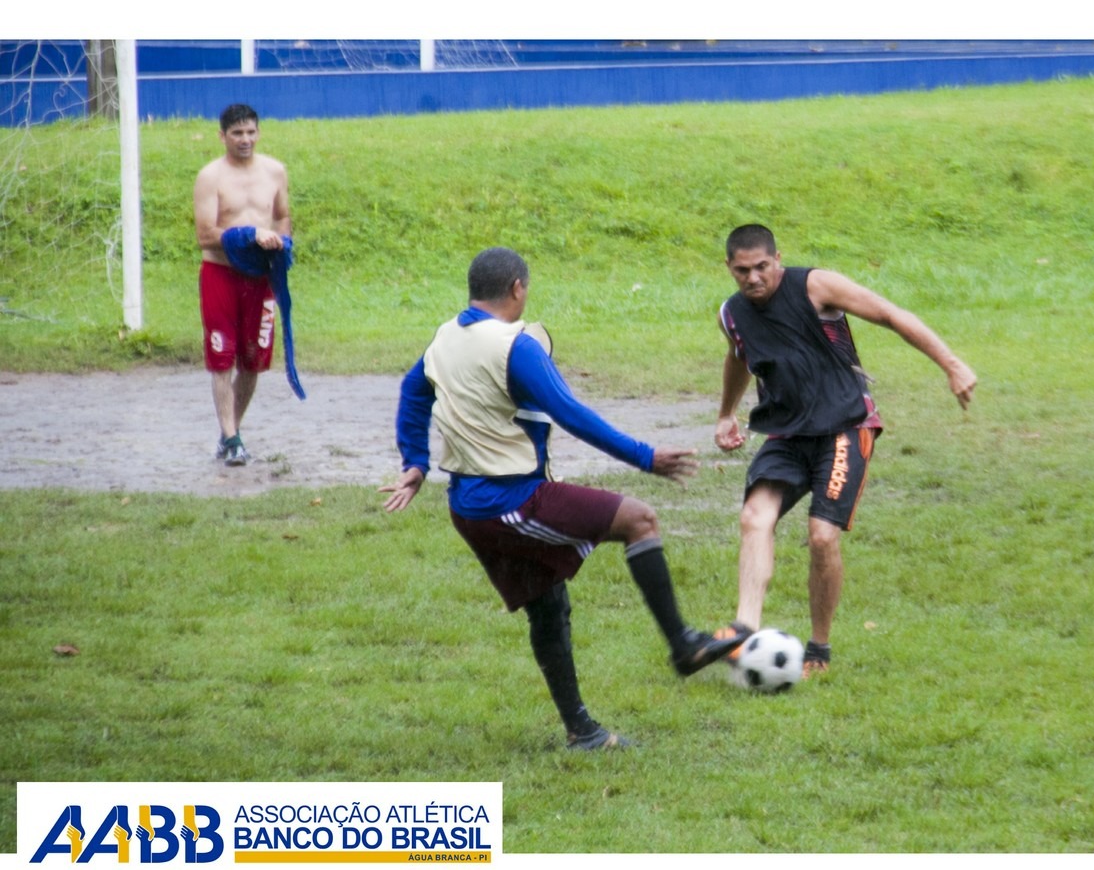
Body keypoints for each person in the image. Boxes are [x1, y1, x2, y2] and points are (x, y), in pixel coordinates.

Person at [381, 247, 749, 751]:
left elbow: (412, 391)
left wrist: (415, 463)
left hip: (469, 507)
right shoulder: (515, 346)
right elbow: (571, 414)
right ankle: (684, 646)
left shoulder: (445, 338)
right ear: (517, 288)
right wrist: (645, 457)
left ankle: (583, 733)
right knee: (639, 520)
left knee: (548, 605)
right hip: (508, 503)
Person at [713, 224, 978, 678]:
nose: (754, 278)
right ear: (729, 268)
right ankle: (744, 628)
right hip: (787, 434)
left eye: (762, 266)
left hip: (844, 427)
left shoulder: (817, 286)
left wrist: (951, 364)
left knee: (822, 536)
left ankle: (820, 647)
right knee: (754, 518)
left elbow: (891, 315)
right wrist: (726, 413)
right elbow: (739, 355)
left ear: (778, 257)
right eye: (743, 271)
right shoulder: (732, 313)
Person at [193, 103, 292, 466]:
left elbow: (282, 217)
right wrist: (251, 235)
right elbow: (205, 235)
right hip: (220, 274)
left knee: (253, 361)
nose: (245, 139)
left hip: (260, 278)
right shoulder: (210, 177)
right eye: (237, 133)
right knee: (222, 359)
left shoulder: (275, 171)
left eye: (250, 132)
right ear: (222, 136)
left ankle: (228, 434)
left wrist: (282, 241)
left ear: (259, 132)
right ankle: (233, 436)